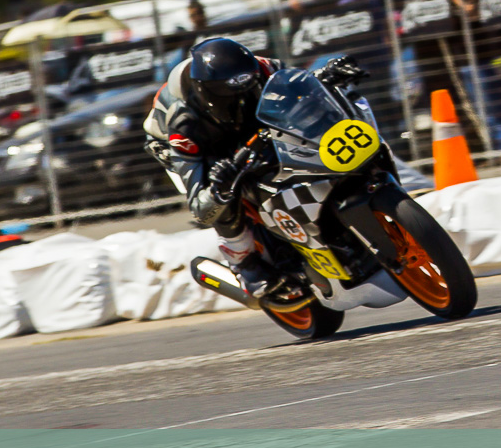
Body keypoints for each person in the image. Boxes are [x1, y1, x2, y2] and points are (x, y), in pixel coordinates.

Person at [143, 38, 367, 296]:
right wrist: (218, 189)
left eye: (248, 88)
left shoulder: (264, 68)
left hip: (250, 125)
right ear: (208, 93)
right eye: (232, 95)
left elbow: (303, 87)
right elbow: (200, 208)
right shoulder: (183, 123)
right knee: (224, 192)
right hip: (192, 145)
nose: (242, 97)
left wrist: (328, 76)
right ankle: (245, 265)